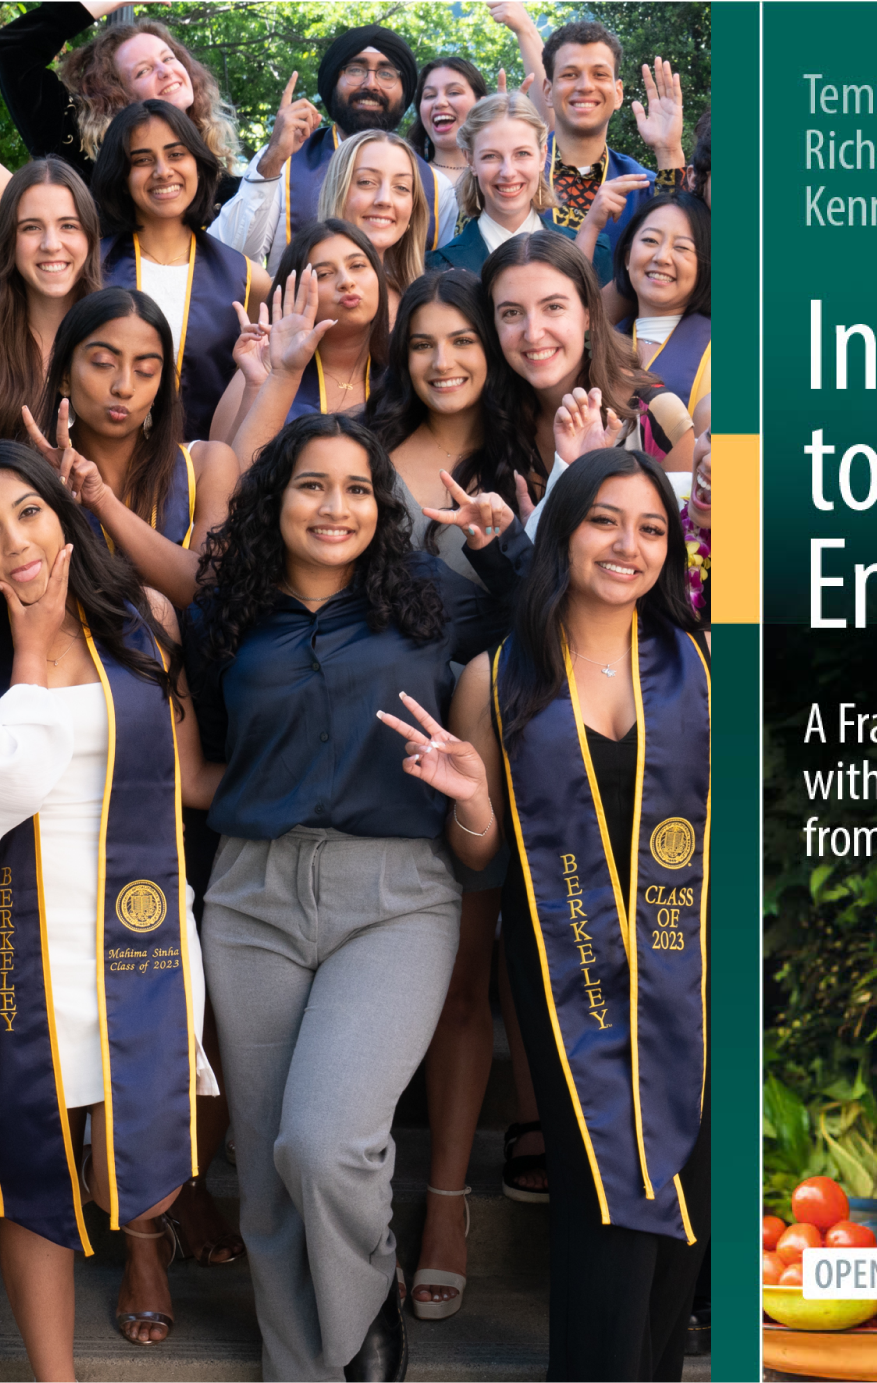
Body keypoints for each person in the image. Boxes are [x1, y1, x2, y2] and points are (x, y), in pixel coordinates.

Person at [180, 412, 508, 1383]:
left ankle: (367, 1329)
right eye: (312, 484)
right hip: (249, 896)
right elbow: (206, 762)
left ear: (382, 506)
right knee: (267, 1173)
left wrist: (506, 540)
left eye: (358, 487)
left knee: (325, 1143)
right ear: (275, 499)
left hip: (395, 895)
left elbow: (555, 618)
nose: (336, 506)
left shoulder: (433, 603)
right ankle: (299, 1371)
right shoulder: (224, 618)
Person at [0, 440, 213, 1366]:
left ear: (61, 510)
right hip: (23, 944)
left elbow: (183, 779)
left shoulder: (136, 620)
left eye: (26, 510)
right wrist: (26, 646)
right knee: (38, 1173)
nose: (13, 541)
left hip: (135, 930)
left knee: (135, 1180)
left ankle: (147, 1249)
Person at [483, 446, 709, 1383]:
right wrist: (465, 798)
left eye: (651, 527)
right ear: (562, 533)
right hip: (567, 967)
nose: (629, 544)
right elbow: (480, 852)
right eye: (604, 520)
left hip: (692, 969)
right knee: (608, 1196)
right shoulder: (497, 677)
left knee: (681, 1199)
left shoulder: (700, 668)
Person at [352, 269, 549, 1318]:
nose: (442, 361)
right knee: (377, 989)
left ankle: (444, 1206)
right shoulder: (362, 456)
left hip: (486, 744)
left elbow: (551, 616)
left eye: (462, 340)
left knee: (466, 985)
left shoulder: (527, 457)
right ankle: (356, 1208)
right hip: (375, 745)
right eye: (421, 342)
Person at [477, 232, 701, 612]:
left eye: (553, 307)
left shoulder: (654, 416)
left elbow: (689, 563)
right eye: (511, 313)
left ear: (588, 314)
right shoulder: (491, 419)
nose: (533, 333)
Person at [14, 287, 235, 606]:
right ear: (64, 375)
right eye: (103, 363)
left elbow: (208, 588)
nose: (125, 387)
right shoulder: (26, 479)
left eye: (145, 371)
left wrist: (101, 500)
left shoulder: (207, 463)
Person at [0, 1, 239, 220]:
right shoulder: (81, 155)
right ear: (115, 97)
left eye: (169, 58)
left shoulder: (223, 184)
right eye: (143, 70)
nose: (165, 71)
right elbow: (12, 50)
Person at [89, 101, 250, 453]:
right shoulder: (89, 266)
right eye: (142, 160)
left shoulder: (246, 277)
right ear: (121, 174)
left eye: (176, 154)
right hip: (100, 471)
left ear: (197, 161)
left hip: (203, 478)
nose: (163, 171)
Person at [210, 25, 433, 275]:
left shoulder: (435, 184)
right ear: (332, 81)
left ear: (405, 90)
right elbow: (229, 257)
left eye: (387, 73)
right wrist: (272, 159)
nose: (371, 84)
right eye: (356, 70)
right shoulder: (281, 161)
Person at [0, 158, 98, 455]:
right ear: (9, 240)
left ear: (90, 237)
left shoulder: (121, 339)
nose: (51, 244)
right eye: (31, 227)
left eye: (68, 225)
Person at [214, 218, 385, 462]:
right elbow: (223, 475)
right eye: (324, 273)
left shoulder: (403, 369)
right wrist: (258, 383)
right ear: (294, 290)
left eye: (358, 266)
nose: (347, 281)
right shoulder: (268, 362)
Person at [531, 19, 689, 283]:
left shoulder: (642, 187)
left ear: (618, 94)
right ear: (548, 91)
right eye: (570, 74)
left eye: (600, 74)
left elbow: (685, 235)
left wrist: (669, 149)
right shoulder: (515, 176)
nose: (585, 86)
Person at [432, 89, 563, 274]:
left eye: (522, 154)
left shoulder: (588, 249)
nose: (508, 172)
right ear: (470, 160)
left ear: (542, 156)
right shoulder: (437, 266)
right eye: (490, 156)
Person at [610, 193, 709, 436]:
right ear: (626, 257)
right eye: (650, 241)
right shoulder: (603, 341)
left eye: (682, 247)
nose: (661, 257)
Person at [314, 129, 429, 296]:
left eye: (401, 187)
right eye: (366, 182)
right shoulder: (289, 297)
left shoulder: (423, 304)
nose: (385, 200)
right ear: (337, 192)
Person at [410, 57, 487, 244]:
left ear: (481, 104)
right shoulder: (408, 178)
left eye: (453, 92)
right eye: (429, 96)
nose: (440, 102)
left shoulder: (502, 175)